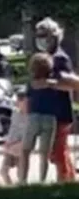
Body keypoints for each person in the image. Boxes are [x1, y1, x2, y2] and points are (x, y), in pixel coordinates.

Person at [34, 18, 75, 182]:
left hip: (59, 112)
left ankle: (64, 182)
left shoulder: (59, 59)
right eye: (38, 35)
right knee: (58, 151)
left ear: (54, 36)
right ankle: (69, 180)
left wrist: (48, 84)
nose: (41, 38)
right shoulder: (45, 57)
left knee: (58, 152)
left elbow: (68, 84)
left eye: (44, 35)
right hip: (48, 112)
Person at [21, 53, 58, 184]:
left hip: (34, 117)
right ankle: (42, 180)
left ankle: (23, 180)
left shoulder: (31, 84)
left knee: (25, 150)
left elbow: (26, 101)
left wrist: (24, 116)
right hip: (50, 117)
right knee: (44, 154)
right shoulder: (53, 83)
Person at [1, 88, 27, 185]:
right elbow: (12, 129)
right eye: (19, 100)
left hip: (21, 147)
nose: (21, 104)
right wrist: (7, 142)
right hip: (11, 145)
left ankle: (21, 190)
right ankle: (10, 188)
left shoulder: (30, 117)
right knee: (4, 171)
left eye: (23, 101)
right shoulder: (15, 113)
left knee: (21, 175)